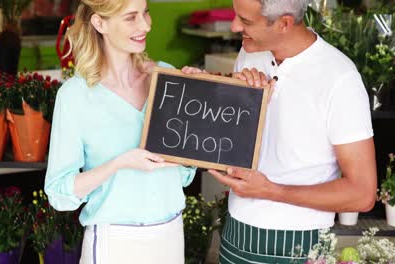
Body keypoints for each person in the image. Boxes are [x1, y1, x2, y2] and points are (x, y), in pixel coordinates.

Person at [185, 0, 377, 263]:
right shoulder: (250, 55)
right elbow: (234, 144)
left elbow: (363, 193)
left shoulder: (340, 78)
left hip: (297, 240)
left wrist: (269, 190)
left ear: (284, 23)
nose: (234, 26)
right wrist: (227, 93)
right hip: (235, 231)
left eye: (246, 21)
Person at [44, 0, 196, 263]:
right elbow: (59, 192)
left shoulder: (167, 78)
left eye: (145, 12)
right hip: (114, 244)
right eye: (131, 17)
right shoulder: (75, 96)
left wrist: (198, 97)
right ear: (100, 23)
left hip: (170, 237)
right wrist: (120, 163)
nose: (146, 24)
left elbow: (183, 176)